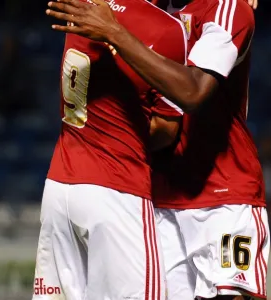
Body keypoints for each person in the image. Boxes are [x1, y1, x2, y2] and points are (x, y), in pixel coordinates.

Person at [46, 0, 269, 300]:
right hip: (159, 198)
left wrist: (115, 32)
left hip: (223, 198)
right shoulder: (147, 9)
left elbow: (194, 91)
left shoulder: (227, 8)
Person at [33, 1, 187, 299]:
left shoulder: (81, 6)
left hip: (59, 187)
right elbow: (166, 131)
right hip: (117, 189)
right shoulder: (167, 29)